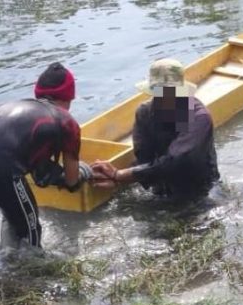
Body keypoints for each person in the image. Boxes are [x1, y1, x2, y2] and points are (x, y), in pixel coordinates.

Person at [0, 62, 92, 249]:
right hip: (0, 172)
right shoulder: (66, 122)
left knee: (13, 214)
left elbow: (38, 172)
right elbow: (71, 181)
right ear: (69, 96)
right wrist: (82, 172)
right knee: (30, 231)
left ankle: (4, 264)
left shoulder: (20, 108)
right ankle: (30, 272)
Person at [91, 58, 220, 199]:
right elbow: (143, 158)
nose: (166, 98)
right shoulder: (145, 113)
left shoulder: (197, 117)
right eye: (161, 93)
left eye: (171, 93)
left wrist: (119, 175)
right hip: (161, 187)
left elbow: (179, 160)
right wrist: (116, 179)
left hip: (202, 189)